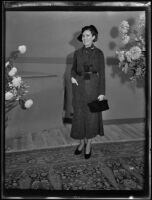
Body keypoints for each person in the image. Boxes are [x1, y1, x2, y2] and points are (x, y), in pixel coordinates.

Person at [70, 25, 106, 159]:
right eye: (83, 36)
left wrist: (101, 92)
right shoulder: (77, 53)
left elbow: (102, 74)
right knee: (79, 117)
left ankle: (89, 144)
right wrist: (73, 77)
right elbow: (73, 69)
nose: (85, 38)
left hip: (93, 89)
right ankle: (81, 143)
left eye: (88, 35)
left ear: (94, 37)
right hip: (79, 88)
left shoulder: (99, 53)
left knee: (91, 118)